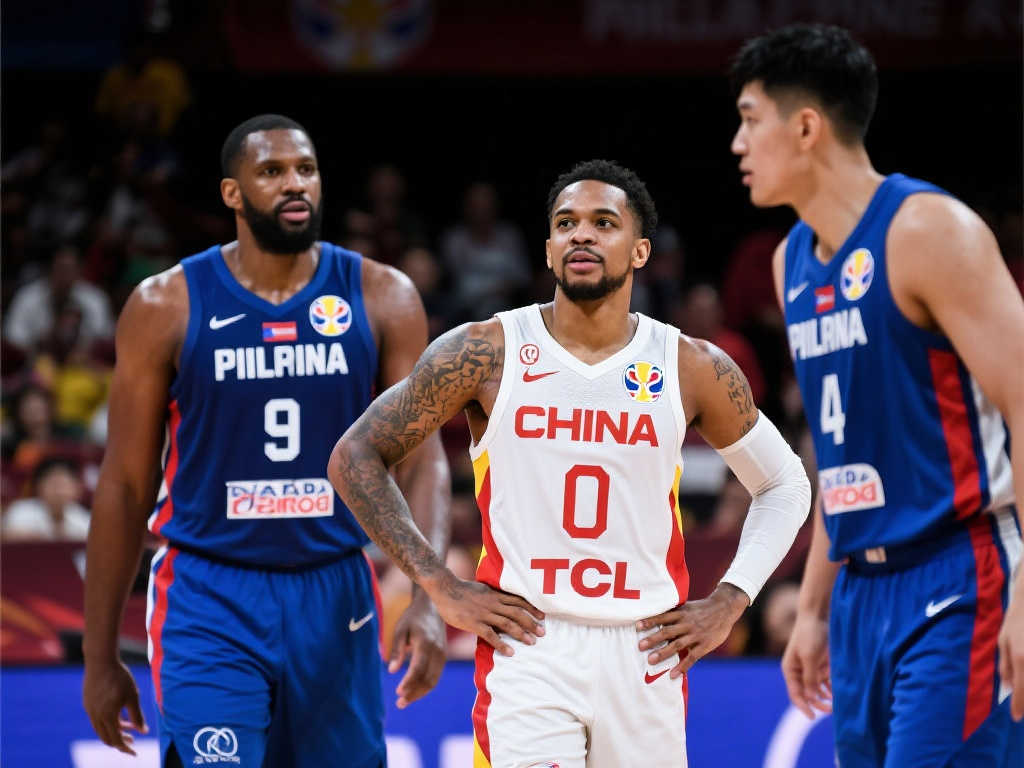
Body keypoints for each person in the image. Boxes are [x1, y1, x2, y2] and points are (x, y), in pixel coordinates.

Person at [328, 159, 811, 767]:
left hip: (646, 649)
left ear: (640, 251)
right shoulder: (485, 351)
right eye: (565, 223)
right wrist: (437, 583)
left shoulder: (690, 365)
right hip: (529, 644)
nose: (581, 234)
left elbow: (786, 483)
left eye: (603, 222)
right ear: (548, 248)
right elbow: (354, 455)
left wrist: (732, 600)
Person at [81, 114, 452, 768]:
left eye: (306, 169)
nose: (294, 184)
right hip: (209, 592)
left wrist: (430, 599)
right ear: (232, 193)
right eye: (272, 171)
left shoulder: (383, 297)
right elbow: (126, 485)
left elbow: (424, 464)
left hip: (334, 587)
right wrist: (98, 654)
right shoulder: (165, 305)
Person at [730, 23, 1024, 767]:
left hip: (962, 574)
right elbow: (843, 456)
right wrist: (814, 607)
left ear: (806, 127)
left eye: (750, 119)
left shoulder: (929, 231)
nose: (737, 143)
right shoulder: (790, 264)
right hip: (861, 592)